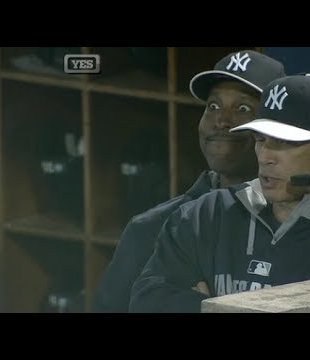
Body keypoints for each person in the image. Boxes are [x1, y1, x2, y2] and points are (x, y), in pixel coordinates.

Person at [129, 73, 310, 313]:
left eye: (284, 143)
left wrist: (209, 303)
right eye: (261, 140)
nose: (265, 156)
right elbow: (148, 300)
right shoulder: (203, 216)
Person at [92, 50, 286, 312]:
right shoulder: (151, 229)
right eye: (213, 106)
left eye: (242, 108)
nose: (221, 120)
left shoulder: (303, 229)